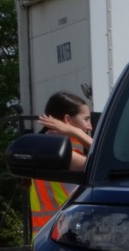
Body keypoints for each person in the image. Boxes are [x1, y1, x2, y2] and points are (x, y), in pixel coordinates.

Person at [28, 91, 94, 235]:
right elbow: (107, 160)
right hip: (63, 237)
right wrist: (76, 132)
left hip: (50, 239)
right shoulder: (59, 152)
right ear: (67, 120)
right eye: (86, 119)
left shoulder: (43, 145)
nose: (90, 127)